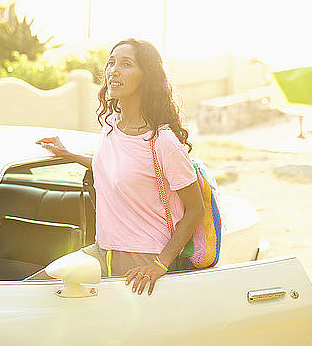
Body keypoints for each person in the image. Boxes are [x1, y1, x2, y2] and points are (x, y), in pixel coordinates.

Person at [31, 38, 205, 295]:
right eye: (111, 62)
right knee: (30, 288)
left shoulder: (162, 141)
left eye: (126, 64)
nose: (114, 70)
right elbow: (111, 169)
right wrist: (68, 154)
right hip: (102, 250)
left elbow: (195, 209)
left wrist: (161, 263)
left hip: (142, 259)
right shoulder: (111, 125)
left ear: (148, 76)